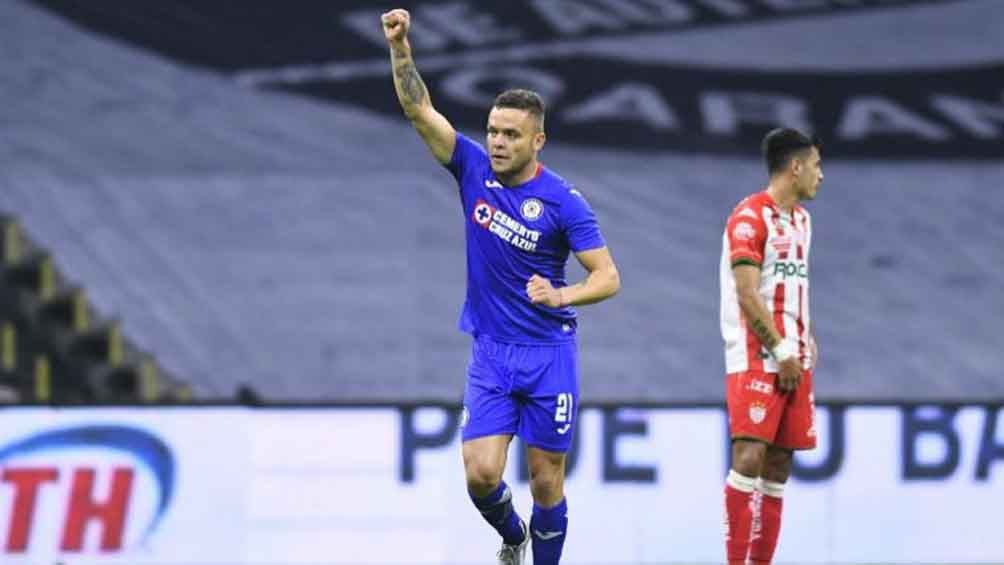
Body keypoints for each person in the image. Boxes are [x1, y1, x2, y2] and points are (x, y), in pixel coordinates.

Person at [381, 8, 620, 565]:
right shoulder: (471, 167)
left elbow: (608, 276)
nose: (497, 142)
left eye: (511, 134)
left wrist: (561, 295)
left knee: (546, 478)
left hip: (548, 352)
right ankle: (513, 537)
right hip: (491, 350)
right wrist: (400, 47)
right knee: (481, 475)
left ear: (538, 140)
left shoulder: (564, 202)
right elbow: (419, 109)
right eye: (492, 130)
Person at [719, 128, 823, 565]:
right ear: (795, 167)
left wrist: (806, 337)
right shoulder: (749, 217)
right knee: (748, 457)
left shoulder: (802, 221)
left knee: (779, 467)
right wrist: (780, 351)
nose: (820, 175)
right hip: (757, 356)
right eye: (816, 165)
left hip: (794, 359)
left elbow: (792, 287)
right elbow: (747, 293)